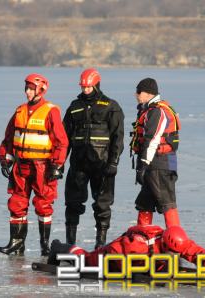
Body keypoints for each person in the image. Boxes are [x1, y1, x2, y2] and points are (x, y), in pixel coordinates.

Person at [0, 73, 69, 256]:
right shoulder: (20, 111)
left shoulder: (51, 111)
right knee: (16, 202)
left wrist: (57, 165)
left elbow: (62, 141)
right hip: (21, 166)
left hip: (42, 167)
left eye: (31, 88)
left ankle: (44, 245)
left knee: (43, 204)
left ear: (41, 89)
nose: (28, 92)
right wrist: (5, 159)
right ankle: (16, 242)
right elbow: (8, 138)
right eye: (26, 88)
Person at [62, 68, 124, 248]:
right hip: (78, 164)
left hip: (102, 164)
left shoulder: (111, 107)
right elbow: (64, 138)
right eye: (83, 87)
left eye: (88, 87)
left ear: (96, 85)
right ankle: (70, 243)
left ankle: (100, 244)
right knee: (72, 203)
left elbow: (117, 138)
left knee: (103, 205)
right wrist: (58, 163)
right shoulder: (74, 107)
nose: (85, 90)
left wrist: (113, 162)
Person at [130, 78, 182, 228]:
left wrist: (143, 164)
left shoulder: (157, 112)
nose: (136, 95)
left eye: (138, 92)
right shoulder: (151, 109)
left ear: (147, 93)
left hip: (159, 163)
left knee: (167, 202)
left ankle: (176, 240)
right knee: (144, 203)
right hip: (158, 163)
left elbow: (151, 139)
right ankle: (142, 238)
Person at [48, 224, 205, 269]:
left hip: (139, 259)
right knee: (85, 261)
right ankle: (58, 247)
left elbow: (190, 249)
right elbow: (117, 253)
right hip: (112, 255)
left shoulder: (176, 240)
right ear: (165, 244)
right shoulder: (139, 246)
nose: (177, 256)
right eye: (173, 253)